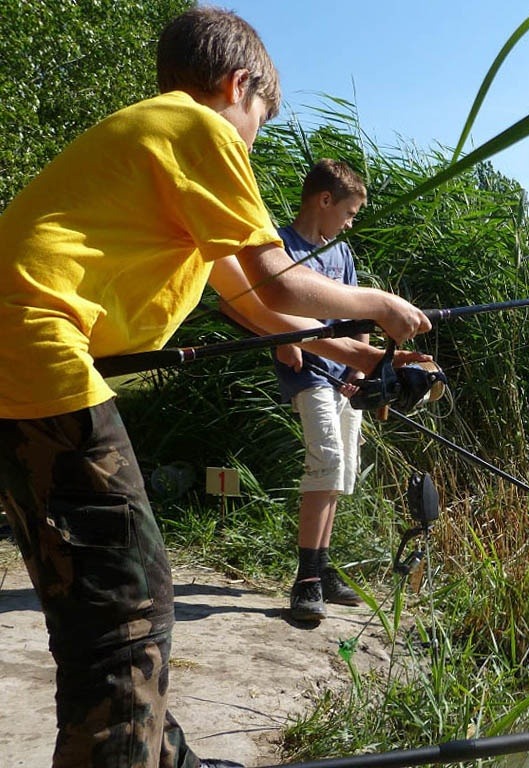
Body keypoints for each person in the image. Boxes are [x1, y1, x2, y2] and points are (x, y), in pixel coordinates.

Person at [0, 7, 430, 768]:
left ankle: (166, 760)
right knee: (126, 603)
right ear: (237, 87)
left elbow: (254, 306)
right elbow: (279, 278)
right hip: (38, 353)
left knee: (104, 589)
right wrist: (381, 305)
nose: (255, 137)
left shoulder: (158, 148)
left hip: (20, 362)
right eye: (260, 118)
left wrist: (361, 360)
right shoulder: (198, 130)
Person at [224, 159, 387, 621]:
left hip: (345, 376)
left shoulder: (342, 253)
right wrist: (279, 343)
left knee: (342, 472)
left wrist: (362, 365)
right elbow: (241, 302)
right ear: (325, 200)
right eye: (350, 212)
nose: (351, 222)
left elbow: (361, 317)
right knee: (327, 461)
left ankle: (323, 564)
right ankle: (306, 580)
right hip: (309, 373)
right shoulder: (281, 246)